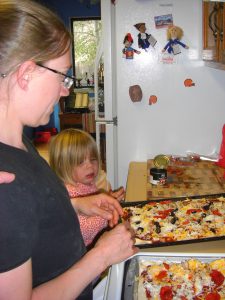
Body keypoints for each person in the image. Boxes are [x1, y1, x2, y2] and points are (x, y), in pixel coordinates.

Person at [0, 1, 138, 300]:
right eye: (62, 76)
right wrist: (101, 256)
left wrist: (78, 205)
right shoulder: (5, 184)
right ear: (26, 74)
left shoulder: (19, 143)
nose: (66, 89)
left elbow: (32, 213)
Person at [49, 128, 125, 247]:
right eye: (80, 162)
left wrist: (108, 199)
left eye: (93, 159)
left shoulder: (85, 183)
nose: (90, 166)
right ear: (62, 165)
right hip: (83, 253)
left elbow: (93, 207)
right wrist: (108, 210)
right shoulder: (69, 192)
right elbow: (85, 231)